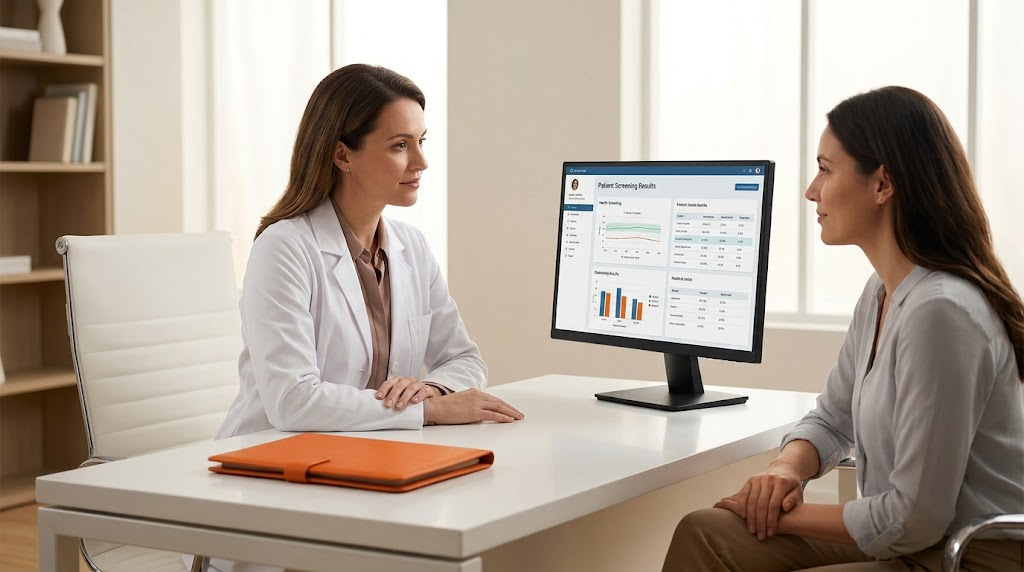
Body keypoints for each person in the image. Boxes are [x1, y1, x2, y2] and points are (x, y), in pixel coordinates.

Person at [663, 86, 1024, 571]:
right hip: (913, 541)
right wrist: (785, 471)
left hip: (961, 557)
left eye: (826, 169)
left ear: (882, 184)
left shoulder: (941, 315)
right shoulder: (883, 291)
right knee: (705, 531)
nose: (812, 190)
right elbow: (833, 420)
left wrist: (782, 517)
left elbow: (914, 519)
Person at [217, 64, 524, 441]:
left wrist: (434, 389)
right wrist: (428, 411)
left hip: (369, 451)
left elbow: (463, 359)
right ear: (343, 156)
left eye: (420, 142)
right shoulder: (284, 249)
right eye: (400, 145)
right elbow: (292, 400)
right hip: (268, 456)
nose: (421, 162)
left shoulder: (411, 246)